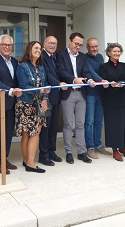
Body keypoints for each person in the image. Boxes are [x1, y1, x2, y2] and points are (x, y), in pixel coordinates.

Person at [56, 32, 94, 164]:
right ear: (69, 41)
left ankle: (81, 152)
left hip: (81, 93)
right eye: (76, 44)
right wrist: (73, 79)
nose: (78, 47)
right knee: (68, 124)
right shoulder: (61, 54)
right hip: (68, 93)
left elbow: (86, 72)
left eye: (80, 45)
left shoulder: (83, 57)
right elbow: (61, 71)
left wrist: (89, 80)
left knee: (80, 124)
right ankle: (69, 153)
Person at [0, 34, 22, 174]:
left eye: (9, 45)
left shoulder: (14, 61)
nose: (7, 47)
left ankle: (4, 158)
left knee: (8, 133)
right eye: (4, 45)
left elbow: (16, 81)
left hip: (12, 104)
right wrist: (12, 91)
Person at [16, 41, 50, 173]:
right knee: (26, 135)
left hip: (39, 105)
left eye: (40, 49)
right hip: (25, 104)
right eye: (36, 48)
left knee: (36, 133)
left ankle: (30, 162)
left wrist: (45, 99)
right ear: (29, 50)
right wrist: (42, 91)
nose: (39, 50)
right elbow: (24, 87)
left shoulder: (41, 67)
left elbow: (46, 84)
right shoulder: (22, 67)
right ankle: (28, 162)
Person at [98, 43, 125, 162]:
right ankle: (115, 149)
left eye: (119, 51)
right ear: (109, 53)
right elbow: (103, 81)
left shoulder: (124, 66)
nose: (117, 53)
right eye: (114, 51)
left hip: (124, 99)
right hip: (111, 101)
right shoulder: (103, 67)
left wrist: (121, 82)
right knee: (113, 126)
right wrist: (111, 84)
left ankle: (123, 147)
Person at [38, 36, 65, 166]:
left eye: (55, 43)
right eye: (50, 43)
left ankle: (51, 151)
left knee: (53, 126)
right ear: (45, 43)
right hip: (45, 97)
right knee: (45, 127)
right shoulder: (41, 57)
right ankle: (43, 155)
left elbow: (59, 72)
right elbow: (48, 75)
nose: (52, 45)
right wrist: (59, 83)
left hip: (55, 97)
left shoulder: (55, 57)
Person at [84, 38, 108, 159]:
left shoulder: (100, 57)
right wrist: (102, 80)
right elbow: (90, 72)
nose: (94, 49)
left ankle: (98, 144)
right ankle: (90, 147)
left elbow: (103, 71)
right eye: (92, 47)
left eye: (96, 46)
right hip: (90, 93)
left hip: (101, 92)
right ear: (87, 48)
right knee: (89, 121)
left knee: (99, 120)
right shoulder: (84, 58)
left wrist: (106, 80)